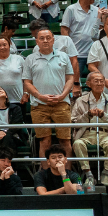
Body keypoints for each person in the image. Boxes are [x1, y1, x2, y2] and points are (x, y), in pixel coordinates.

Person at [23, 28, 76, 160]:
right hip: (39, 105)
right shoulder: (30, 59)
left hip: (62, 104)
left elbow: (70, 79)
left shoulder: (63, 56)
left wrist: (63, 95)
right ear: (36, 41)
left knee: (65, 141)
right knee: (44, 142)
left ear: (53, 40)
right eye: (41, 38)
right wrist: (40, 96)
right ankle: (46, 177)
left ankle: (67, 175)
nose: (45, 40)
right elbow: (27, 83)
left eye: (48, 38)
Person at [71, 70, 108, 188]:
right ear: (88, 84)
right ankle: (88, 174)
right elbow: (74, 122)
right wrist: (87, 115)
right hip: (86, 133)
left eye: (102, 81)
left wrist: (104, 115)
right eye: (96, 81)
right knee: (78, 144)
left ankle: (106, 172)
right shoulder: (81, 100)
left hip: (106, 133)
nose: (99, 84)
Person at [62, 0, 101, 73]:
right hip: (76, 55)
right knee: (76, 82)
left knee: (95, 82)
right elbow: (64, 29)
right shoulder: (71, 9)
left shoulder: (97, 10)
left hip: (93, 55)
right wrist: (68, 49)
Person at [0, 85, 27, 149]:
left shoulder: (16, 108)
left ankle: (3, 158)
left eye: (1, 89)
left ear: (6, 96)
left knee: (6, 138)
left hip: (13, 135)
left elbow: (17, 125)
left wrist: (4, 133)